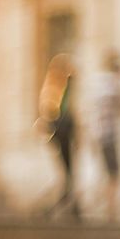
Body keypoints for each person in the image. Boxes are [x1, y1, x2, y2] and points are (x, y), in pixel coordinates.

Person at [38, 53, 80, 219]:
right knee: (66, 171)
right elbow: (50, 112)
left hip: (64, 133)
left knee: (68, 171)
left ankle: (71, 204)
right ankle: (67, 204)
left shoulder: (62, 88)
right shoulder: (54, 89)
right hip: (61, 133)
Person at [94, 50, 120, 222]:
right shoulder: (112, 85)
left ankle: (107, 207)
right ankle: (110, 211)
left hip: (100, 135)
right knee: (113, 174)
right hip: (109, 135)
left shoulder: (99, 84)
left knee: (107, 173)